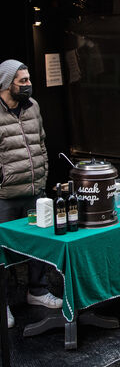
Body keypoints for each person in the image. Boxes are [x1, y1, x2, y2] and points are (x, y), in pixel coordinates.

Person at [0, 59, 62, 328]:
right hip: (5, 194)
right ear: (6, 84)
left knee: (38, 242)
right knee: (1, 251)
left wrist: (43, 173)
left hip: (35, 189)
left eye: (28, 80)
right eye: (22, 81)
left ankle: (37, 291)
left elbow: (42, 141)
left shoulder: (33, 106)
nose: (28, 85)